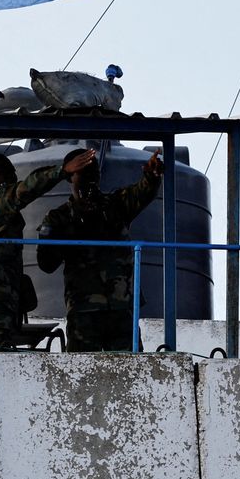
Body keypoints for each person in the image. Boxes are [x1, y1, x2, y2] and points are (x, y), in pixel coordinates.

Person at [0, 149, 98, 345]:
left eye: (12, 172)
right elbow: (27, 189)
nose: (11, 177)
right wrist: (63, 170)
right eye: (3, 173)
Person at [37, 148, 164, 352]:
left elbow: (143, 191)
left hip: (121, 307)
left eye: (94, 171)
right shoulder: (59, 218)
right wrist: (66, 234)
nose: (91, 177)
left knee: (132, 372)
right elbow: (46, 264)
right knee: (82, 373)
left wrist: (151, 175)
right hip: (84, 309)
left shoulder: (116, 205)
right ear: (70, 177)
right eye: (83, 171)